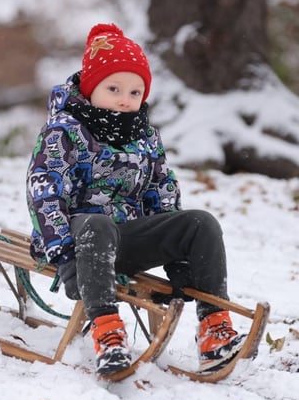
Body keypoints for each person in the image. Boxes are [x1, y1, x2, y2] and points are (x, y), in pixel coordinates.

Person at [26, 23, 245, 376]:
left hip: (126, 239)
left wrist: (178, 257)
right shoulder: (64, 132)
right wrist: (65, 254)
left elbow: (161, 191)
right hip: (79, 241)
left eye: (135, 91)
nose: (124, 99)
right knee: (96, 223)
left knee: (200, 223)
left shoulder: (144, 138)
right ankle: (107, 331)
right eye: (113, 88)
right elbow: (44, 191)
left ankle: (213, 328)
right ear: (90, 87)